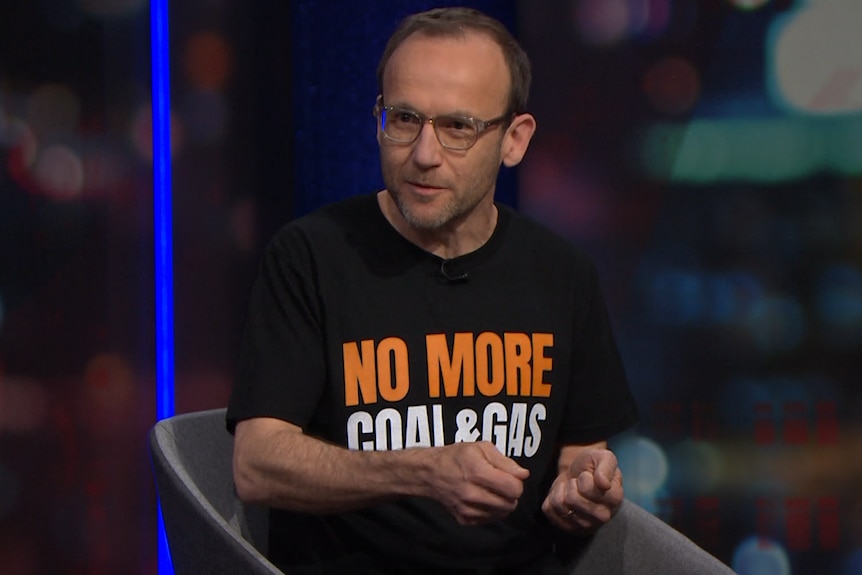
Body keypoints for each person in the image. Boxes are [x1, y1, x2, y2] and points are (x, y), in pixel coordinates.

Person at [227, 7, 732, 575]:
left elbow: (583, 450)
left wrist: (585, 485)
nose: (423, 153)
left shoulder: (561, 273)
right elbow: (257, 464)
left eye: (458, 127)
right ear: (378, 121)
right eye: (404, 119)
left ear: (514, 140)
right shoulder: (309, 257)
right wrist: (422, 470)